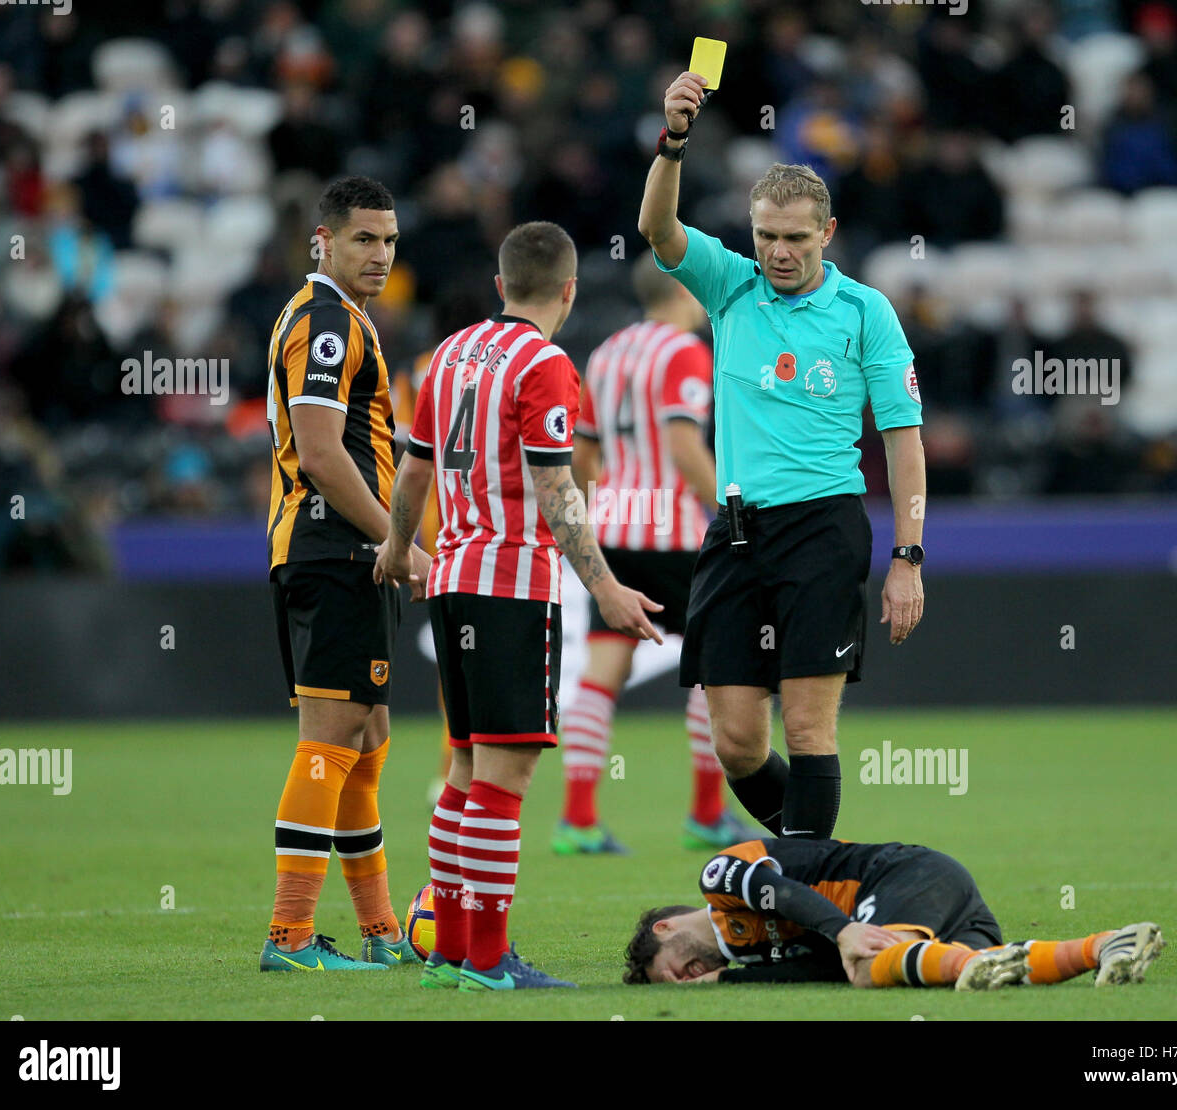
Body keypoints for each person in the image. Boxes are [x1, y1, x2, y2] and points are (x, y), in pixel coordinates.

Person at [637, 72, 927, 844]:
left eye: (795, 238)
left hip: (823, 530)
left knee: (806, 725)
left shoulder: (866, 311)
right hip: (734, 534)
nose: (778, 252)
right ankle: (824, 864)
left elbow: (903, 440)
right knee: (735, 741)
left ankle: (809, 892)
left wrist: (908, 554)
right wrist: (673, 141)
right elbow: (658, 229)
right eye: (766, 235)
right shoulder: (732, 287)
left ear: (826, 235)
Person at [375, 220, 663, 991]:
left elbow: (412, 474)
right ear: (569, 291)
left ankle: (450, 949)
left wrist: (400, 550)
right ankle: (488, 958)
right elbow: (554, 487)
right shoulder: (545, 364)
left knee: (466, 770)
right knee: (505, 778)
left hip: (452, 578)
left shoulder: (450, 356)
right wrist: (604, 586)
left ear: (502, 285)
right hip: (511, 585)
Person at [260, 176, 432, 973]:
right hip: (333, 550)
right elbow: (324, 454)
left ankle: (379, 930)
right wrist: (400, 540)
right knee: (329, 744)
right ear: (321, 241)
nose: (381, 254)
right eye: (364, 238)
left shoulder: (341, 318)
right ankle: (290, 936)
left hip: (344, 556)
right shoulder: (327, 322)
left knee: (366, 741)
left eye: (390, 240)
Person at [554, 250, 747, 855]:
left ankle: (578, 821)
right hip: (678, 536)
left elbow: (582, 455)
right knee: (719, 671)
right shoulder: (685, 351)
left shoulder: (607, 352)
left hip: (611, 531)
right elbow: (685, 447)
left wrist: (602, 503)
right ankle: (707, 814)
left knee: (603, 670)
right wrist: (734, 515)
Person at [623, 837, 1165, 990]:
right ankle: (1104, 946)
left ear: (664, 928)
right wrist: (732, 981)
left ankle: (958, 965)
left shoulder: (718, 879)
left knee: (864, 966)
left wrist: (841, 928)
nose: (681, 980)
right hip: (937, 903)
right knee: (985, 962)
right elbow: (818, 971)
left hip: (904, 873)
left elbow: (780, 892)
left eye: (666, 969)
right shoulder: (753, 957)